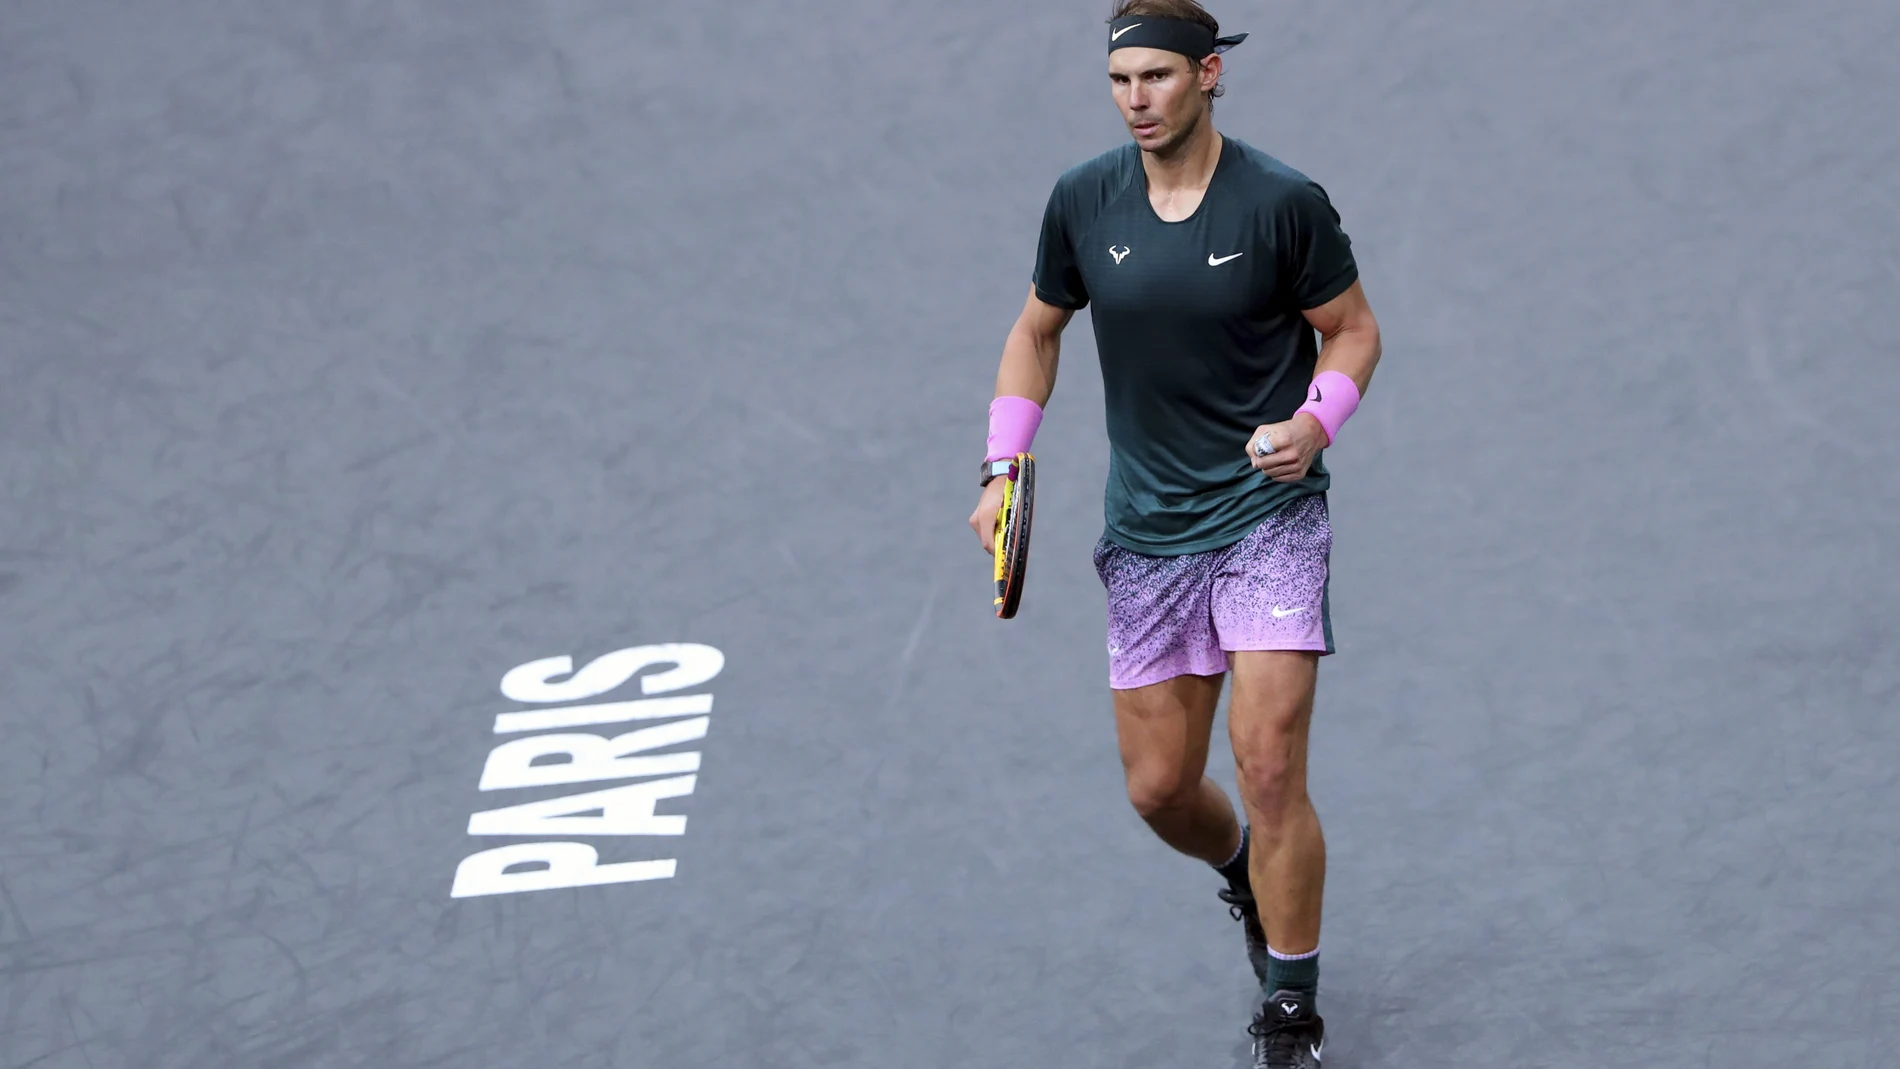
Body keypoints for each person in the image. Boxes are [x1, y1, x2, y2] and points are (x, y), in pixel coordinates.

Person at [967, 2, 1383, 1065]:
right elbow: (1034, 331)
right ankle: (1245, 872)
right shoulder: (1082, 201)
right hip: (1148, 529)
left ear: (1209, 77)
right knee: (1159, 787)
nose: (1136, 100)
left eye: (1156, 77)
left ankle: (1291, 1002)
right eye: (1120, 82)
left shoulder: (1283, 204)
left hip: (1265, 514)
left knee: (1269, 756)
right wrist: (1003, 465)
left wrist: (1311, 421)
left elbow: (1352, 329)